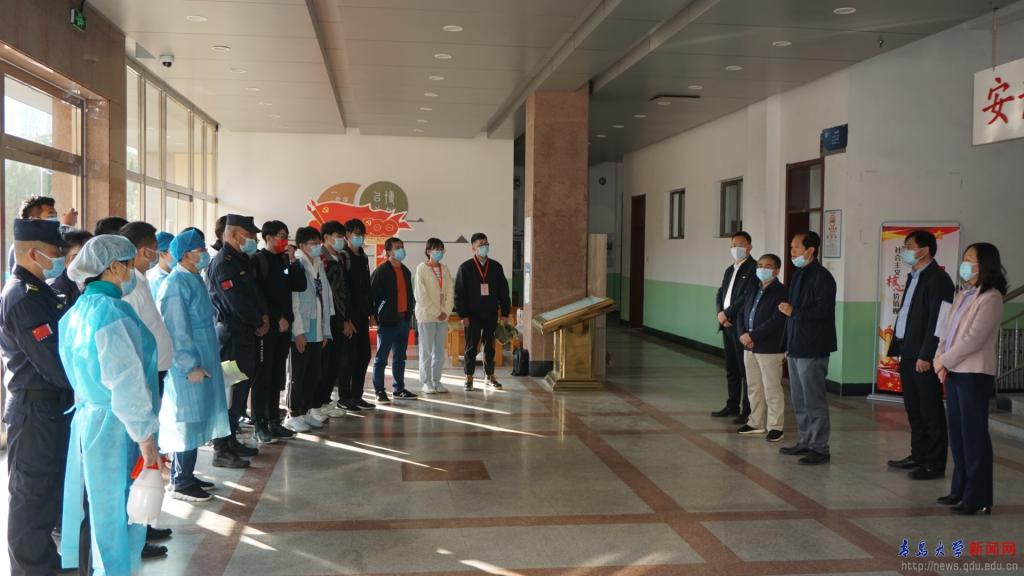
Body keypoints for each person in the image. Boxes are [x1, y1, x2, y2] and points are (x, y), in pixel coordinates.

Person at [58, 234, 161, 575]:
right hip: (118, 424)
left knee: (104, 510)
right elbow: (124, 379)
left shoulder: (76, 311)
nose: (132, 272)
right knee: (122, 512)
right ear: (114, 267)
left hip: (91, 419)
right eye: (129, 265)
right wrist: (145, 436)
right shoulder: (112, 312)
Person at [1, 219, 72, 576]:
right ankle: (31, 569)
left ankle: (44, 563)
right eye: (56, 253)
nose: (60, 259)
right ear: (33, 253)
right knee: (31, 494)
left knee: (45, 491)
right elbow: (52, 361)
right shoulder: (22, 297)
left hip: (48, 405)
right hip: (33, 407)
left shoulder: (39, 291)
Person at [158, 229, 235, 498]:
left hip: (204, 358)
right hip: (186, 367)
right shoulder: (175, 285)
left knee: (198, 417)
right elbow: (175, 330)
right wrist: (189, 365)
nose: (204, 255)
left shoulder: (194, 278)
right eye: (200, 251)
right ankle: (180, 481)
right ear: (185, 255)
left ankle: (187, 474)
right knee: (186, 421)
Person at [934, 243, 1007, 516]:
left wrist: (944, 360)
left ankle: (978, 497)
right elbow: (947, 332)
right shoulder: (963, 293)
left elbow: (973, 339)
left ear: (984, 264)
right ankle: (960, 488)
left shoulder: (991, 298)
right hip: (954, 371)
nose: (964, 264)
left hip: (974, 374)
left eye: (969, 259)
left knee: (974, 436)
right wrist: (939, 358)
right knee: (958, 434)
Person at [885, 230, 955, 480]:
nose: (906, 251)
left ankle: (934, 464)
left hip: (923, 355)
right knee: (914, 408)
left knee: (930, 410)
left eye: (910, 246)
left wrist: (927, 355)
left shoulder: (938, 279)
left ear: (925, 250)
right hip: (908, 350)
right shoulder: (915, 276)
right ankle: (918, 455)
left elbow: (938, 321)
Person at [206, 214, 265, 465]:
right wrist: (257, 321)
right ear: (233, 234)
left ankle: (231, 440)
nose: (252, 239)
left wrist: (262, 317)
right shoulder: (223, 263)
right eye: (248, 235)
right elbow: (235, 302)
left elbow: (254, 294)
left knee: (240, 391)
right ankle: (221, 448)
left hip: (245, 335)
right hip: (231, 337)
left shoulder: (240, 259)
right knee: (229, 393)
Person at [778, 231, 836, 465]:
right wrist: (787, 344)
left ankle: (820, 447)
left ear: (810, 250)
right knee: (799, 399)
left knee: (814, 400)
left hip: (813, 346)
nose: (792, 252)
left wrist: (794, 311)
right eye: (791, 247)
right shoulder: (799, 274)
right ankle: (805, 441)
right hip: (796, 345)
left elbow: (823, 311)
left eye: (796, 247)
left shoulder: (822, 277)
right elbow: (791, 315)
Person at [251, 221, 305, 443]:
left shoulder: (284, 259)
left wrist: (293, 261)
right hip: (268, 327)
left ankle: (274, 420)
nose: (285, 240)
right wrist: (276, 317)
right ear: (268, 237)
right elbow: (259, 294)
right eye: (281, 236)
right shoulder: (258, 260)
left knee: (276, 376)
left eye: (286, 236)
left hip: (284, 327)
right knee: (263, 376)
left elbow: (299, 285)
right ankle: (259, 423)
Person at [285, 227, 334, 431]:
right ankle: (293, 413)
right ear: (302, 245)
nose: (317, 247)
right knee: (298, 374)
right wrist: (298, 332)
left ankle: (305, 411)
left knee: (313, 373)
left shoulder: (318, 264)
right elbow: (294, 301)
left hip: (317, 327)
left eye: (318, 243)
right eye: (313, 244)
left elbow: (326, 297)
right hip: (303, 328)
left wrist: (325, 330)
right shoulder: (297, 264)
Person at [735, 253, 787, 442]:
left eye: (767, 266)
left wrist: (753, 336)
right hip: (748, 346)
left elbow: (777, 320)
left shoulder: (782, 292)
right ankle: (755, 422)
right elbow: (741, 312)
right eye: (760, 265)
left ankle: (775, 426)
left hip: (769, 347)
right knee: (754, 386)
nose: (762, 269)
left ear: (776, 270)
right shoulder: (753, 288)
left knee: (771, 388)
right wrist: (742, 334)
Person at [454, 233, 511, 391]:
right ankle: (469, 376)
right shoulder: (465, 268)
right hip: (472, 315)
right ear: (473, 247)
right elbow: (459, 294)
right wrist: (463, 315)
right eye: (481, 245)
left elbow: (504, 292)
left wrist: (505, 313)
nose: (484, 247)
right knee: (471, 347)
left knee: (489, 347)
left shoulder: (496, 267)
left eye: (486, 244)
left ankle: (490, 375)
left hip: (491, 313)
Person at [712, 231, 757, 423]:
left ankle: (747, 410)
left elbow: (746, 297)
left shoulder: (754, 268)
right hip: (727, 324)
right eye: (733, 245)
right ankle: (732, 405)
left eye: (740, 244)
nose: (736, 248)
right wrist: (720, 313)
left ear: (749, 247)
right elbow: (720, 292)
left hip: (740, 326)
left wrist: (728, 313)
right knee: (731, 368)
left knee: (745, 369)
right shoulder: (730, 269)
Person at [370, 237, 417, 403]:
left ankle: (399, 389)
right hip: (387, 321)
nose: (401, 250)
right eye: (397, 247)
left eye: (402, 246)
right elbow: (372, 295)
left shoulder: (405, 271)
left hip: (403, 321)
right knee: (381, 358)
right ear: (388, 251)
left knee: (400, 358)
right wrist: (373, 315)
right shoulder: (381, 271)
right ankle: (379, 391)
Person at [337, 219, 376, 412]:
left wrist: (371, 312)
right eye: (356, 234)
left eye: (362, 234)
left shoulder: (363, 256)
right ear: (347, 236)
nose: (360, 237)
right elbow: (342, 289)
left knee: (363, 356)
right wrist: (346, 319)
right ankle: (344, 397)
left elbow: (367, 287)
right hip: (349, 318)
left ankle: (357, 395)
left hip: (362, 316)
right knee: (348, 358)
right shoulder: (343, 256)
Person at [320, 221, 352, 418]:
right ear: (326, 238)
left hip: (339, 317)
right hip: (325, 319)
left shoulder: (340, 258)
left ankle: (326, 401)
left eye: (343, 237)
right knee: (323, 364)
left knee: (334, 363)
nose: (342, 241)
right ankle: (319, 403)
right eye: (338, 237)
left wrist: (346, 319)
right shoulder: (321, 259)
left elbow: (343, 292)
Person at [415, 238, 454, 394]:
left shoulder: (445, 269)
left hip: (443, 317)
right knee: (426, 352)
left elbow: (450, 291)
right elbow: (421, 295)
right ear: (428, 251)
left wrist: (446, 311)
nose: (439, 252)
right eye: (436, 249)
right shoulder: (421, 268)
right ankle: (426, 382)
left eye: (441, 249)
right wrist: (437, 313)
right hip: (427, 316)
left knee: (439, 352)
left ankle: (437, 381)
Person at [7, 196, 77, 272]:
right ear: (33, 220)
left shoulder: (43, 241)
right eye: (51, 216)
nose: (56, 221)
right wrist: (66, 225)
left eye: (55, 216)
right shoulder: (23, 246)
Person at [48, 228, 92, 308]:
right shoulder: (58, 287)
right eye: (83, 255)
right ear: (67, 259)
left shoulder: (97, 277)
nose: (90, 258)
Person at [147, 231, 175, 299]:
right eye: (174, 252)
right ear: (162, 254)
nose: (178, 255)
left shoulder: (171, 273)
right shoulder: (157, 279)